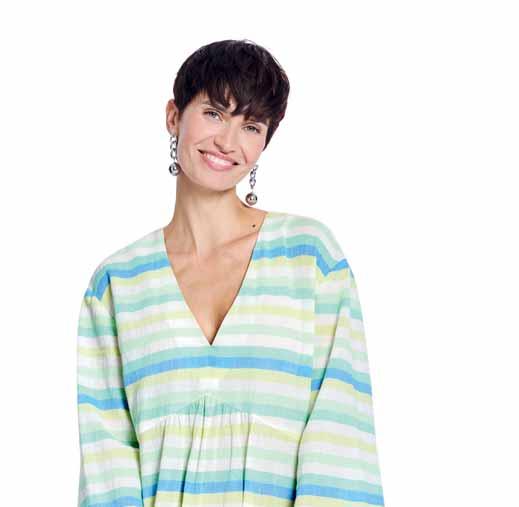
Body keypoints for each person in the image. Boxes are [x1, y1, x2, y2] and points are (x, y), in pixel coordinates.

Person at [76, 39, 385, 507]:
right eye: (214, 113)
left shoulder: (309, 258)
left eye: (251, 126)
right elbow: (107, 468)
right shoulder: (118, 284)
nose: (227, 141)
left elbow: (342, 439)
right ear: (173, 116)